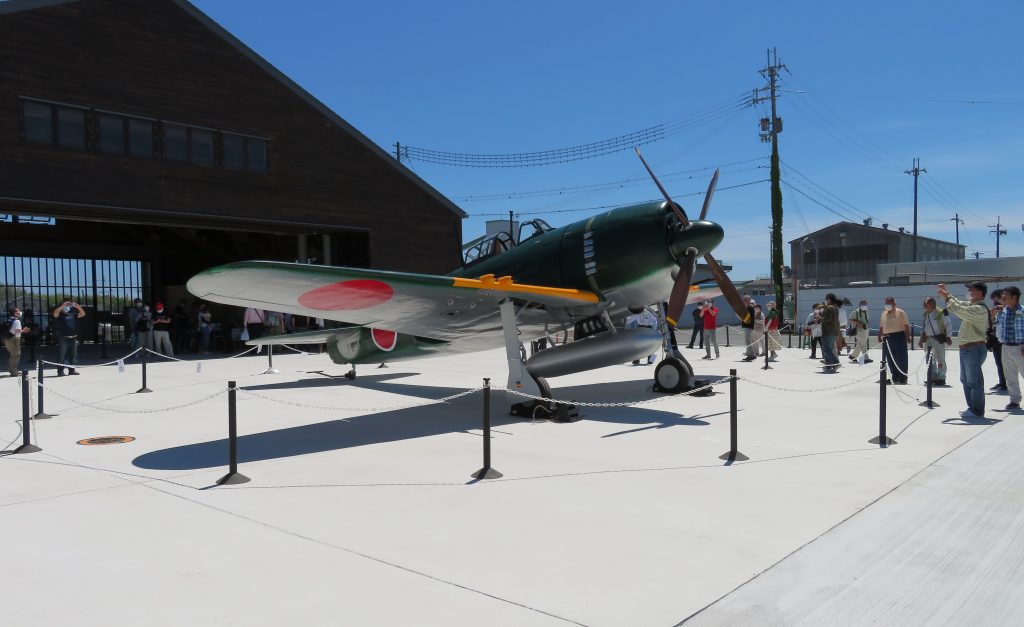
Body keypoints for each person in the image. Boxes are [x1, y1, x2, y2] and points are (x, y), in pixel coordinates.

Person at [938, 281, 990, 418]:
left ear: (979, 292)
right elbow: (959, 303)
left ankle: (977, 410)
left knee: (974, 381)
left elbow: (959, 310)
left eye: (971, 290)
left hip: (974, 348)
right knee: (965, 379)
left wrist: (947, 298)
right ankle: (972, 408)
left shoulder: (980, 309)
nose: (969, 292)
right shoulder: (972, 305)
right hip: (967, 349)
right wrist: (947, 294)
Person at [993, 286, 1023, 412]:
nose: (1002, 297)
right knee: (1010, 376)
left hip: (1020, 347)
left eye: (1005, 295)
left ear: (1014, 297)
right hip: (1006, 347)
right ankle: (1014, 400)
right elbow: (995, 325)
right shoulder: (1003, 312)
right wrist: (994, 314)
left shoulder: (1022, 311)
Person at [878, 296, 911, 385]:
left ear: (894, 304)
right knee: (890, 358)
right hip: (887, 337)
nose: (887, 305)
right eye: (886, 303)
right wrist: (879, 335)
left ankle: (903, 377)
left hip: (899, 336)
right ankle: (895, 376)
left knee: (901, 358)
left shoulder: (900, 312)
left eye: (889, 303)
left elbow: (906, 326)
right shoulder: (884, 313)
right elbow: (881, 326)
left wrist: (908, 337)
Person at [918, 297, 949, 385]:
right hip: (927, 339)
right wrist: (921, 339)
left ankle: (941, 377)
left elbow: (947, 324)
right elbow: (923, 327)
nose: (924, 304)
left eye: (926, 303)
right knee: (930, 359)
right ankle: (931, 377)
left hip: (937, 339)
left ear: (932, 304)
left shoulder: (940, 313)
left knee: (940, 359)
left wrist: (949, 337)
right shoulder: (925, 314)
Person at [52, 298, 86, 376]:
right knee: (62, 356)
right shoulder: (60, 314)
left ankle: (72, 370)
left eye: (69, 305)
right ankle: (60, 371)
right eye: (66, 305)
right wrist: (63, 306)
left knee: (73, 356)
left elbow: (83, 314)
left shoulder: (73, 313)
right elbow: (55, 313)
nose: (68, 306)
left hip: (73, 338)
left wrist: (78, 307)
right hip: (63, 338)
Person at [989, 289, 1008, 392]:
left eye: (997, 302)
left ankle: (1007, 383)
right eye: (994, 302)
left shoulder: (1009, 310)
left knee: (1008, 364)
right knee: (999, 363)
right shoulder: (996, 312)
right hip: (996, 340)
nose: (996, 304)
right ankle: (1002, 382)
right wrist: (992, 314)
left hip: (1007, 341)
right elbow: (991, 325)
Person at [4, 307, 30, 376]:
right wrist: (24, 331)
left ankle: (11, 369)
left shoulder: (10, 319)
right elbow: (17, 330)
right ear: (15, 313)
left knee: (13, 355)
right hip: (14, 339)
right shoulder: (17, 321)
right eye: (18, 311)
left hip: (7, 339)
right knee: (16, 355)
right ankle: (14, 371)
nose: (20, 312)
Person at [819, 293, 841, 369]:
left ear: (829, 300)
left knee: (826, 349)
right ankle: (828, 365)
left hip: (828, 331)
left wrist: (820, 317)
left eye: (826, 299)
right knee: (830, 348)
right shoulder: (836, 308)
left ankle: (835, 363)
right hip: (834, 331)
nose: (826, 301)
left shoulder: (829, 308)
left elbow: (827, 319)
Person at [741, 295, 757, 361]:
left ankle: (752, 355)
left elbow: (747, 318)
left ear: (749, 300)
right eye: (744, 299)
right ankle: (750, 354)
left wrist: (741, 316)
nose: (744, 301)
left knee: (748, 341)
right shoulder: (746, 307)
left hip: (749, 326)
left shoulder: (750, 308)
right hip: (746, 326)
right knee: (748, 341)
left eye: (745, 300)